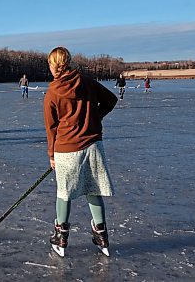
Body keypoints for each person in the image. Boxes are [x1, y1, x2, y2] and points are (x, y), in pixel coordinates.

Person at [43, 46, 117, 257]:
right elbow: (111, 100)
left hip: (66, 149)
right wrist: (95, 117)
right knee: (93, 190)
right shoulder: (87, 82)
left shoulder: (52, 92)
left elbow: (51, 128)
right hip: (93, 146)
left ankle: (61, 237)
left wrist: (51, 155)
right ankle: (101, 235)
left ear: (53, 65)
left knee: (64, 194)